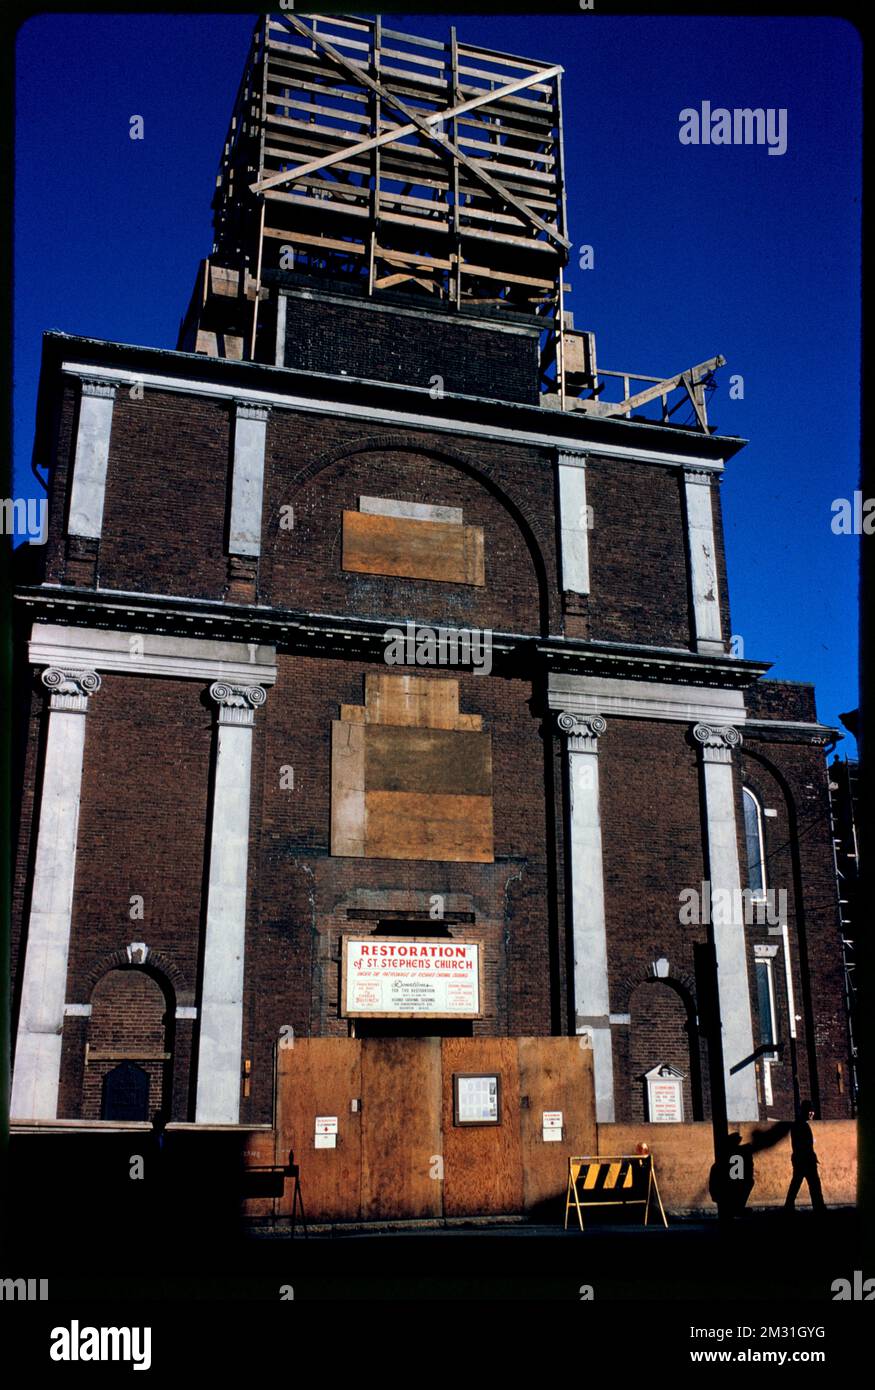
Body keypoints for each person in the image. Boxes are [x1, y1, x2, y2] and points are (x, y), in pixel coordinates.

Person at [783, 1099, 826, 1214]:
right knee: (814, 1185)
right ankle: (819, 1208)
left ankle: (788, 1206)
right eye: (810, 1111)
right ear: (804, 1111)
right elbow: (803, 1145)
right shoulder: (802, 1125)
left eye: (812, 1111)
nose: (812, 1113)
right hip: (805, 1160)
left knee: (797, 1183)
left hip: (800, 1160)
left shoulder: (798, 1124)